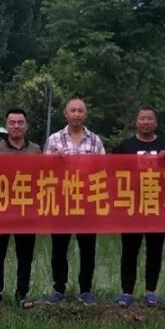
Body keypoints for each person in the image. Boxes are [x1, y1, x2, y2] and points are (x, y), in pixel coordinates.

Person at [44, 97, 105, 305]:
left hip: (87, 202)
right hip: (61, 201)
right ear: (65, 113)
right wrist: (54, 161)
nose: (77, 114)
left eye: (80, 111)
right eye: (73, 110)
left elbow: (103, 170)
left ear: (85, 115)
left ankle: (85, 290)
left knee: (87, 248)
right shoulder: (54, 139)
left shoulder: (95, 140)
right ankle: (58, 288)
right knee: (59, 248)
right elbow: (44, 171)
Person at [114, 107, 165, 308]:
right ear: (136, 122)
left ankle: (151, 291)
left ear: (156, 123)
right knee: (129, 250)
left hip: (157, 206)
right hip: (132, 206)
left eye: (150, 119)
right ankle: (126, 292)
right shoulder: (126, 146)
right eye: (142, 118)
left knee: (155, 250)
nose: (146, 122)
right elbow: (112, 169)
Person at [0, 108, 41, 311]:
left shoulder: (35, 150)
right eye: (12, 122)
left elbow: (42, 179)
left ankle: (22, 294)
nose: (16, 126)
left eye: (20, 122)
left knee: (25, 255)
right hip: (1, 211)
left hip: (26, 210)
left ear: (26, 126)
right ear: (6, 126)